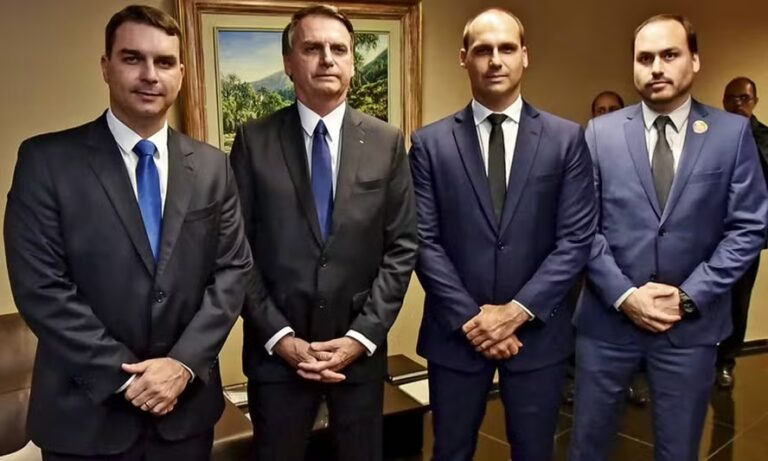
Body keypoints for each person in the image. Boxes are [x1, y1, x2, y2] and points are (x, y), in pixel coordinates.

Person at [3, 5, 253, 460]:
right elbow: (41, 288)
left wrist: (182, 364)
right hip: (85, 419)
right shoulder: (46, 162)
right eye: (133, 58)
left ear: (181, 74)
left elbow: (233, 272)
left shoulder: (212, 166)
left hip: (185, 414)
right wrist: (127, 379)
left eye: (164, 62)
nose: (150, 75)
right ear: (106, 66)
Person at [569, 15, 768, 461]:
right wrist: (625, 296)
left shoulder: (731, 134)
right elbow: (580, 226)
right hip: (607, 325)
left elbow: (748, 227)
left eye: (670, 54)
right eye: (645, 58)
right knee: (588, 447)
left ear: (694, 61)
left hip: (689, 329)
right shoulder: (600, 133)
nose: (656, 67)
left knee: (679, 450)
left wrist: (688, 297)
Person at [229, 5, 417, 461]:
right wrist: (280, 338)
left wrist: (360, 337)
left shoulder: (387, 142)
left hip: (359, 358)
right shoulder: (253, 141)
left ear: (352, 63)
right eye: (312, 48)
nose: (327, 59)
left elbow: (402, 247)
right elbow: (235, 251)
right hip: (277, 361)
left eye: (339, 49)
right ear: (289, 63)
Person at [409, 8, 596, 461]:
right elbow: (423, 241)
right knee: (450, 451)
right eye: (483, 50)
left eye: (507, 48)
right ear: (464, 58)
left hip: (537, 332)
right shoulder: (430, 144)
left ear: (524, 55)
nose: (495, 60)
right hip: (456, 333)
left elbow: (575, 240)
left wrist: (515, 313)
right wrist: (474, 320)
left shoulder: (566, 139)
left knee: (534, 451)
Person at [717, 76, 768, 389]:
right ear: (723, 102)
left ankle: (726, 361)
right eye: (732, 98)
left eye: (744, 98)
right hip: (708, 236)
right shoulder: (710, 136)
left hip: (747, 238)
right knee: (704, 299)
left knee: (738, 303)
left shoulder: (764, 138)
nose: (737, 104)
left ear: (755, 101)